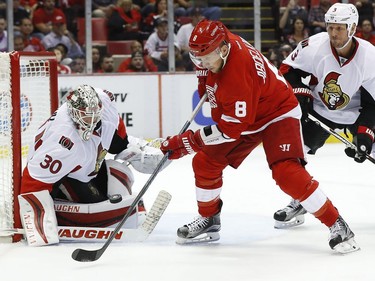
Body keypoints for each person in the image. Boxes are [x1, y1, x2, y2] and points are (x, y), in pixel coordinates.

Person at [160, 19, 359, 254]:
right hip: (250, 113)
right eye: (197, 57)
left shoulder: (237, 73)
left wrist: (186, 142)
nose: (201, 62)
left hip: (277, 112)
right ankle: (209, 219)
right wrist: (204, 74)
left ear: (223, 50)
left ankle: (338, 224)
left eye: (205, 58)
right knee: (205, 162)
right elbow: (208, 63)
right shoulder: (220, 42)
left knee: (286, 172)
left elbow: (229, 129)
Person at [18, 84, 168, 246]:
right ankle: (63, 209)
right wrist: (35, 228)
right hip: (65, 176)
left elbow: (115, 132)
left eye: (94, 115)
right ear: (73, 113)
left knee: (119, 172)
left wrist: (129, 149)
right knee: (108, 214)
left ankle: (121, 211)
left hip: (86, 167)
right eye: (86, 116)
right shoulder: (62, 143)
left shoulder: (105, 103)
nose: (92, 121)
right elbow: (34, 182)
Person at [273, 4, 375, 232]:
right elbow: (288, 70)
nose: (334, 34)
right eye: (331, 27)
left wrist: (365, 137)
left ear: (352, 28)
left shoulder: (370, 57)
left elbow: (372, 104)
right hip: (318, 110)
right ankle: (301, 200)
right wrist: (302, 97)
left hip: (357, 114)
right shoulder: (315, 45)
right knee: (292, 156)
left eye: (340, 28)